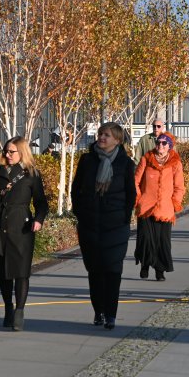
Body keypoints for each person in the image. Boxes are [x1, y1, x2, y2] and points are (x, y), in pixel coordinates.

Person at [72, 122, 137, 330]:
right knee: (94, 270)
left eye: (107, 135)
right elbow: (76, 189)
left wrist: (124, 217)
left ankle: (111, 314)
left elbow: (131, 193)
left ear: (117, 139)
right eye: (100, 134)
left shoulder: (125, 163)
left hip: (115, 226)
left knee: (113, 270)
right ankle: (98, 311)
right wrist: (80, 212)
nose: (101, 137)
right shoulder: (87, 160)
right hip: (90, 224)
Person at [0, 136, 49, 331]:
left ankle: (19, 310)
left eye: (12, 151)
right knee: (2, 271)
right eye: (6, 151)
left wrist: (38, 220)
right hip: (0, 224)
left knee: (21, 270)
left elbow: (41, 202)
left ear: (22, 152)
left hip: (22, 226)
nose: (8, 154)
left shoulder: (31, 174)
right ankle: (8, 307)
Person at [134, 132, 184, 281]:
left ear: (169, 146)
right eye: (158, 142)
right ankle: (145, 264)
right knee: (146, 239)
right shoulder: (146, 159)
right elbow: (135, 182)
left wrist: (175, 203)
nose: (160, 145)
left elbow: (179, 187)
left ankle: (159, 271)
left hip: (165, 209)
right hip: (146, 207)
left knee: (162, 242)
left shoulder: (175, 162)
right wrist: (138, 199)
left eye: (164, 143)